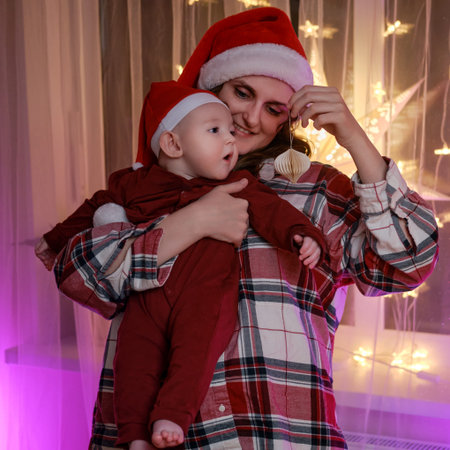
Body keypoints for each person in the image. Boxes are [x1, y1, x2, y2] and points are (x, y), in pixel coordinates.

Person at [36, 7, 439, 449]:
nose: (250, 118)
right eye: (241, 92)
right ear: (208, 90)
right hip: (157, 435)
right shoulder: (145, 188)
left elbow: (406, 262)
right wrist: (189, 223)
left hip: (280, 435)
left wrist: (353, 136)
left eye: (273, 109)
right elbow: (82, 280)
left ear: (287, 120)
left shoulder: (315, 192)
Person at [37, 79, 325, 448]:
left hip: (205, 295)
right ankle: (134, 436)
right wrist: (54, 239)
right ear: (173, 144)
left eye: (228, 133)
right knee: (134, 359)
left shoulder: (239, 183)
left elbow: (274, 212)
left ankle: (172, 414)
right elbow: (93, 208)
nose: (230, 138)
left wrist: (302, 234)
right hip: (149, 295)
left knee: (196, 353)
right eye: (215, 130)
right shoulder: (135, 183)